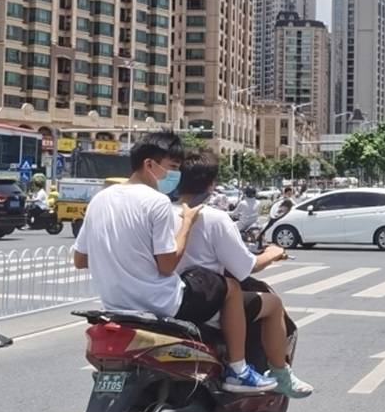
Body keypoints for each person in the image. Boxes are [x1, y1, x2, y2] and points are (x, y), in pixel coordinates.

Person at [72, 132, 275, 394]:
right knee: (231, 289)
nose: (175, 176)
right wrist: (187, 224)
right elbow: (167, 265)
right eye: (173, 168)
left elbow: (80, 259)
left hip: (114, 304)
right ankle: (238, 370)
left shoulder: (100, 198)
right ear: (149, 165)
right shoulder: (155, 201)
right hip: (162, 302)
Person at [173, 154, 312, 398]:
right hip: (203, 301)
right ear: (211, 185)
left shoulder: (160, 212)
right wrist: (273, 252)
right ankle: (279, 374)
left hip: (161, 297)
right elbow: (247, 268)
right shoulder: (214, 218)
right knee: (273, 304)